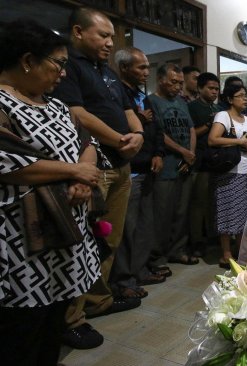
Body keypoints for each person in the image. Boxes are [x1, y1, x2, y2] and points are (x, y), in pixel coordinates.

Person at [0, 18, 102, 364]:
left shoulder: (57, 105)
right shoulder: (2, 103)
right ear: (28, 61)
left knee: (50, 329)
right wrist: (75, 170)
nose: (62, 74)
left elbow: (87, 144)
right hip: (23, 244)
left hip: (66, 238)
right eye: (58, 64)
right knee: (21, 333)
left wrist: (81, 177)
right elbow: (9, 163)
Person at [52, 7, 144, 346]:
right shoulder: (69, 67)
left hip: (121, 165)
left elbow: (128, 110)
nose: (110, 42)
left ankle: (96, 300)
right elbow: (76, 113)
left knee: (110, 239)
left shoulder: (105, 72)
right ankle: (70, 317)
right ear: (78, 31)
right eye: (103, 35)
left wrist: (138, 135)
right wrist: (119, 139)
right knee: (84, 241)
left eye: (111, 36)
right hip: (92, 165)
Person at [110, 47, 166, 301]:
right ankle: (123, 279)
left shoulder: (143, 96)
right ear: (124, 68)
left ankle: (140, 270)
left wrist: (158, 153)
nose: (146, 72)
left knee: (145, 226)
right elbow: (118, 130)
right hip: (129, 170)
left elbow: (157, 129)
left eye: (147, 66)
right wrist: (139, 121)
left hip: (148, 167)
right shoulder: (115, 93)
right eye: (141, 67)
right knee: (126, 229)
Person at [148, 63, 198, 267]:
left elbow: (191, 129)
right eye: (173, 82)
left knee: (181, 212)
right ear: (160, 80)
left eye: (180, 83)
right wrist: (183, 152)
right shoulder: (151, 101)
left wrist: (191, 154)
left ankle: (177, 250)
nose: (178, 87)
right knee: (161, 213)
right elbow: (158, 133)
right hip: (166, 166)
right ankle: (156, 256)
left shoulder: (181, 102)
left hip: (185, 165)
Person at [207, 84, 247, 268]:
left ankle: (238, 250)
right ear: (230, 99)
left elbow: (246, 143)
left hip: (246, 169)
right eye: (240, 95)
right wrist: (239, 141)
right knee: (227, 212)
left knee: (243, 213)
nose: (245, 98)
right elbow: (213, 139)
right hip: (228, 170)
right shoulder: (223, 116)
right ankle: (226, 254)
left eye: (245, 95)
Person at [187, 72, 220, 257]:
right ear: (200, 88)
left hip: (218, 161)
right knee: (198, 203)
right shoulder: (192, 107)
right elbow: (192, 133)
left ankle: (212, 236)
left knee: (213, 203)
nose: (214, 92)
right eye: (210, 88)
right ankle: (196, 241)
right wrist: (210, 124)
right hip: (200, 161)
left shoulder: (220, 108)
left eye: (216, 89)